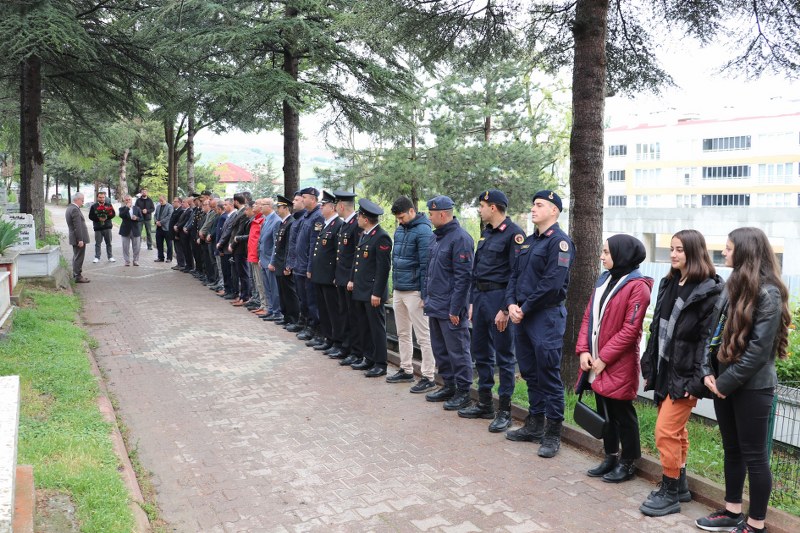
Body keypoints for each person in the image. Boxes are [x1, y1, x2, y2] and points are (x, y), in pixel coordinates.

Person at [696, 227, 791, 533]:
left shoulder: (769, 293)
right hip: (723, 382)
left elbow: (758, 353)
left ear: (745, 252)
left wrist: (724, 384)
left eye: (728, 248)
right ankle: (732, 511)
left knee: (755, 456)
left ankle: (756, 524)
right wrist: (706, 371)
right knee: (732, 449)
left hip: (752, 387)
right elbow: (712, 334)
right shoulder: (731, 286)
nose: (723, 252)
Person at [639, 230, 723, 517]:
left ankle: (670, 491)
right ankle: (682, 484)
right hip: (665, 368)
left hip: (686, 375)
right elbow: (657, 328)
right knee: (677, 431)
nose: (673, 255)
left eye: (680, 250)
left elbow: (706, 342)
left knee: (665, 430)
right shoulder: (670, 282)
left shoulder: (709, 291)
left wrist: (695, 381)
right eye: (672, 249)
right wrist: (650, 363)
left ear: (695, 253)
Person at [576, 235, 652, 483]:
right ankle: (610, 456)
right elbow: (589, 316)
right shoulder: (605, 279)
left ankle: (628, 462)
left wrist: (605, 358)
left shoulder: (638, 286)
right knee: (603, 409)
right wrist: (584, 350)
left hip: (618, 361)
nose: (602, 256)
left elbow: (631, 329)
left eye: (607, 252)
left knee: (622, 412)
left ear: (622, 254)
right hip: (595, 359)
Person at [505, 190, 573, 458]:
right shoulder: (528, 242)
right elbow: (514, 275)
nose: (533, 209)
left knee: (548, 374)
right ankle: (534, 424)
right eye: (533, 204)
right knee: (530, 372)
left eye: (539, 205)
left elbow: (552, 283)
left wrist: (524, 307)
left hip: (545, 317)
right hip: (522, 315)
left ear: (554, 211)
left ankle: (553, 432)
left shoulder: (560, 243)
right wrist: (511, 304)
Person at [459, 189, 524, 431]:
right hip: (481, 298)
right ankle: (485, 403)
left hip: (500, 299)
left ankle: (504, 410)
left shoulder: (514, 235)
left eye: (482, 205)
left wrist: (506, 309)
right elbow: (477, 271)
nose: (480, 209)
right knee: (481, 352)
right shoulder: (486, 234)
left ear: (493, 207)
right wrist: (473, 301)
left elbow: (515, 275)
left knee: (505, 357)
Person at [423, 195, 474, 410]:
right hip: (435, 304)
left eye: (432, 213)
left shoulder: (460, 238)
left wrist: (456, 308)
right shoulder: (437, 238)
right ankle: (449, 385)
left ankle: (463, 391)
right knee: (440, 349)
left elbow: (464, 278)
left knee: (458, 350)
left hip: (450, 308)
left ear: (442, 214)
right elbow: (431, 272)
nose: (429, 216)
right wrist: (427, 298)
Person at [388, 196, 436, 393]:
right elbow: (396, 258)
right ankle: (406, 369)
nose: (400, 221)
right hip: (400, 288)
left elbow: (426, 265)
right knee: (403, 333)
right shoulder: (400, 230)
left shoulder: (424, 231)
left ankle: (428, 375)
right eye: (398, 218)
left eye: (402, 217)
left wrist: (426, 294)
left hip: (415, 291)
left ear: (411, 211)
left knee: (423, 335)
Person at [347, 199, 392, 377]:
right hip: (361, 289)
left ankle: (380, 363)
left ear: (365, 219)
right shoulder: (365, 234)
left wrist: (377, 292)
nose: (357, 218)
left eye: (359, 216)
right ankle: (369, 357)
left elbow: (383, 268)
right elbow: (358, 262)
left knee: (376, 328)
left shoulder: (381, 237)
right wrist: (352, 280)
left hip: (372, 292)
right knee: (364, 325)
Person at [310, 191, 344, 352]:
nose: (321, 208)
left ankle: (337, 341)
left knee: (333, 311)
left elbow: (338, 253)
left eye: (323, 205)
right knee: (323, 309)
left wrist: (335, 275)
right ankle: (328, 338)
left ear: (332, 207)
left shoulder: (338, 225)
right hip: (320, 275)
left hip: (329, 276)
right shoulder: (326, 224)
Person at [332, 190, 362, 363]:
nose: (335, 207)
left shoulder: (356, 225)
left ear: (342, 206)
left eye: (336, 204)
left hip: (350, 279)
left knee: (353, 316)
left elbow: (356, 256)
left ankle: (355, 351)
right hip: (342, 277)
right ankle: (346, 347)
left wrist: (351, 278)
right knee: (344, 313)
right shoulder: (345, 224)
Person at [270, 195, 300, 326]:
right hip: (279, 262)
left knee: (289, 292)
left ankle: (293, 318)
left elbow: (289, 246)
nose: (277, 209)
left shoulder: (291, 222)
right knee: (282, 291)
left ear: (286, 208)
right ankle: (286, 316)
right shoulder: (283, 223)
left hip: (284, 263)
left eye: (279, 207)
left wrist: (288, 265)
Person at [258, 198, 281, 319]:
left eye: (263, 205)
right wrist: (260, 258)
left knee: (274, 288)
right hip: (264, 258)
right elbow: (262, 240)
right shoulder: (265, 220)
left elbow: (276, 244)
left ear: (270, 206)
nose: (260, 207)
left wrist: (273, 261)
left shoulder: (276, 221)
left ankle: (277, 312)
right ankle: (271, 309)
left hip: (271, 261)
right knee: (267, 287)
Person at [65, 192, 91, 283]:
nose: (83, 202)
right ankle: (78, 276)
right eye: (82, 200)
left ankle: (76, 274)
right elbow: (77, 226)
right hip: (78, 238)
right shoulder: (75, 209)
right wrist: (80, 239)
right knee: (79, 257)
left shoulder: (70, 208)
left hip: (74, 237)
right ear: (77, 200)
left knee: (76, 256)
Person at [88, 190, 116, 263]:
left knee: (109, 243)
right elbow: (90, 216)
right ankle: (97, 257)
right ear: (97, 198)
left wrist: (106, 217)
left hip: (107, 227)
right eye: (100, 197)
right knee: (98, 243)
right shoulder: (94, 206)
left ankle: (110, 256)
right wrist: (98, 218)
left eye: (103, 197)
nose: (102, 199)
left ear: (105, 198)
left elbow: (113, 214)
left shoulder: (109, 205)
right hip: (98, 228)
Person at [118, 195, 143, 266]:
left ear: (132, 200)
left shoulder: (137, 208)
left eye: (129, 199)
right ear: (124, 201)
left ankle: (136, 260)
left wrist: (137, 218)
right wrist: (127, 208)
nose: (128, 201)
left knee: (137, 247)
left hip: (135, 230)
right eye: (126, 200)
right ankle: (127, 261)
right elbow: (121, 215)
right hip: (125, 230)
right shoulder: (122, 209)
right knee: (125, 247)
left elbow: (141, 218)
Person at [154, 195, 174, 262]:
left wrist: (161, 222)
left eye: (162, 200)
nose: (160, 202)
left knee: (169, 244)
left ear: (165, 199)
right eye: (159, 200)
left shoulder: (170, 206)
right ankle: (160, 257)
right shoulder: (158, 206)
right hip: (158, 228)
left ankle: (169, 258)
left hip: (166, 228)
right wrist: (156, 221)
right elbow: (155, 215)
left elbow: (169, 216)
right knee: (159, 243)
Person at [168, 197, 185, 269]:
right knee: (177, 249)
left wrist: (177, 234)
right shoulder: (175, 210)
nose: (173, 203)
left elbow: (179, 223)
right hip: (173, 234)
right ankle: (179, 263)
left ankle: (181, 264)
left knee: (179, 249)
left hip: (177, 234)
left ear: (179, 203)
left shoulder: (181, 211)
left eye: (175, 201)